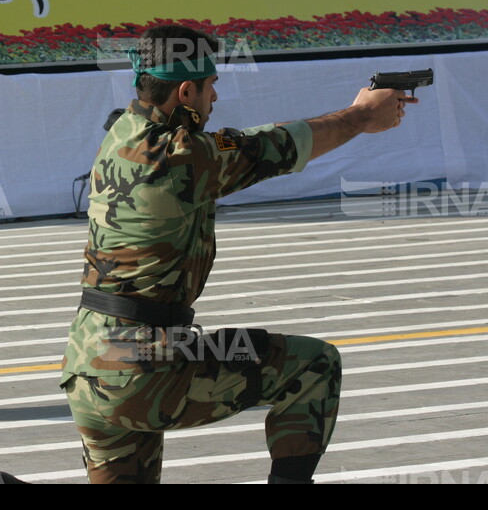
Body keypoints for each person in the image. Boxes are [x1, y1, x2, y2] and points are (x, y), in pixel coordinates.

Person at [52, 24, 419, 484]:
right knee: (312, 365)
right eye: (210, 87)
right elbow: (275, 147)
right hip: (142, 368)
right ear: (186, 91)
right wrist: (360, 116)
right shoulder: (182, 157)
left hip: (89, 364)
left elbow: (238, 140)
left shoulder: (124, 131)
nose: (214, 99)